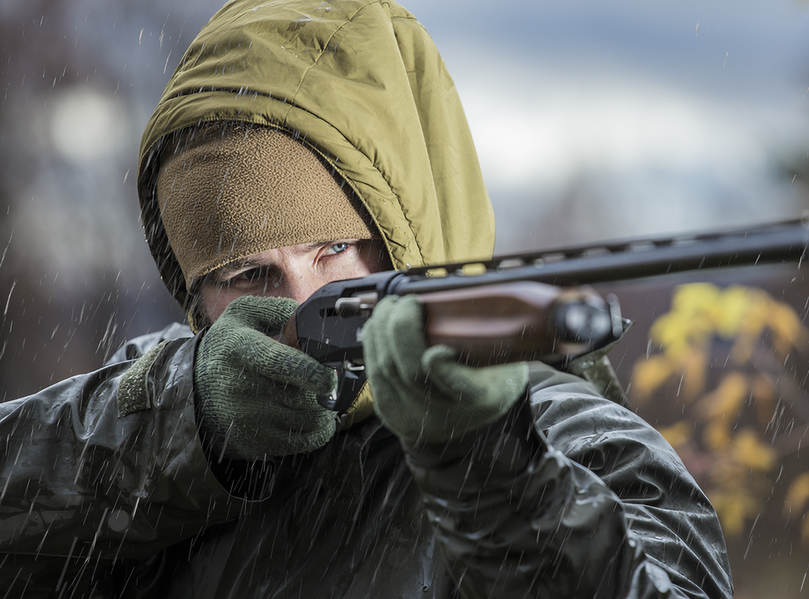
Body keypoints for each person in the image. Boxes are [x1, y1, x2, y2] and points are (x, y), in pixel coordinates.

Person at [0, 1, 734, 597]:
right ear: (196, 297)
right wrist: (182, 427)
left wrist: (490, 469)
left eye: (335, 250)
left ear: (408, 231)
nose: (302, 302)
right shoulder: (168, 430)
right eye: (247, 275)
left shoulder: (571, 442)